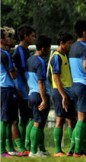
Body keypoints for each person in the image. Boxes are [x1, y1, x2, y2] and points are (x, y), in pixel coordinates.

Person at [69, 19, 86, 156]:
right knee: (82, 118)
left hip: (75, 84)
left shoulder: (73, 46)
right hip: (84, 85)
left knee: (85, 119)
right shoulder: (84, 47)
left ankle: (80, 149)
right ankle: (77, 151)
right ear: (84, 32)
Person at [49, 32, 76, 157]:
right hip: (60, 92)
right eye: (69, 43)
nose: (70, 45)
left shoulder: (64, 55)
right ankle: (58, 150)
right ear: (62, 43)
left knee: (72, 120)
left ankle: (72, 148)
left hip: (67, 91)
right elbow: (56, 78)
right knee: (60, 119)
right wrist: (63, 95)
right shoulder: (56, 57)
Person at [26, 35, 52, 157]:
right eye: (48, 48)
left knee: (39, 123)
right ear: (43, 48)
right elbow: (40, 82)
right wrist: (44, 99)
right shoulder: (40, 61)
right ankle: (33, 151)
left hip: (31, 94)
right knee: (37, 123)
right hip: (38, 95)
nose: (49, 50)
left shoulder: (30, 60)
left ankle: (40, 150)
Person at [12, 24, 36, 152]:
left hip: (27, 88)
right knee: (25, 117)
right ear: (25, 36)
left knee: (27, 117)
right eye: (32, 36)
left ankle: (25, 145)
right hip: (22, 89)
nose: (34, 38)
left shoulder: (26, 51)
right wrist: (27, 87)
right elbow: (21, 71)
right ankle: (21, 146)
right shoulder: (20, 51)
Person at [1, 28, 18, 157]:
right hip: (6, 87)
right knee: (5, 120)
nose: (11, 39)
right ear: (2, 40)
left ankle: (9, 148)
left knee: (9, 119)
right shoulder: (4, 54)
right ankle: (2, 150)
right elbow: (13, 74)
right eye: (8, 37)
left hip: (5, 88)